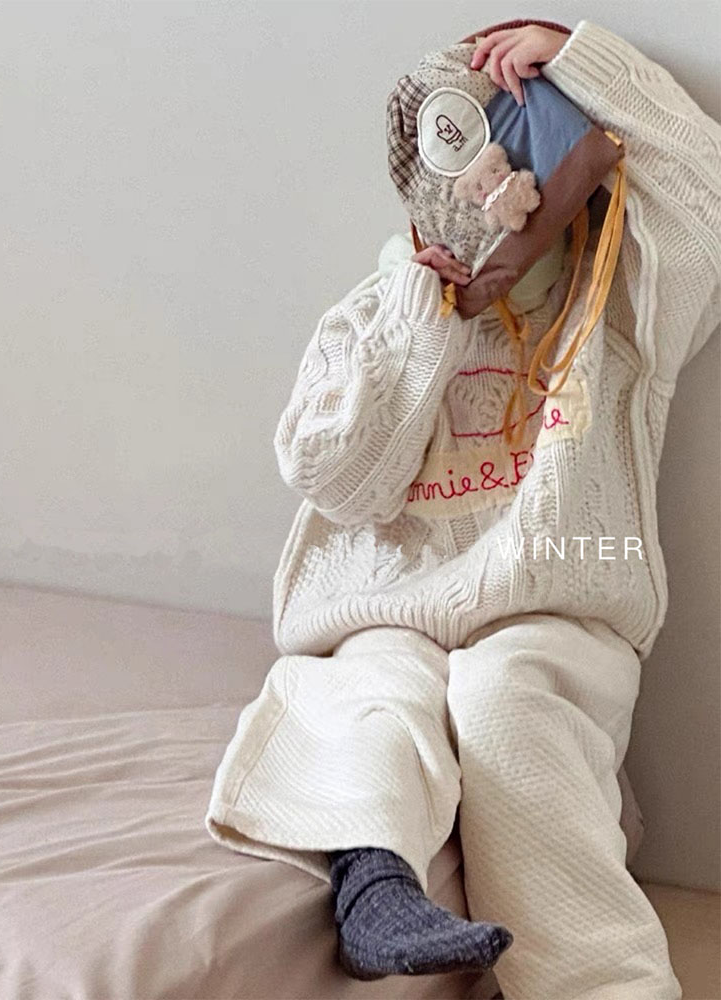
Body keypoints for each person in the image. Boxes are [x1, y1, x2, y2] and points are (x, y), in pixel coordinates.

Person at [206, 19, 720, 1000]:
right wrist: (425, 320)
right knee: (370, 695)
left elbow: (706, 190)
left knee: (508, 699)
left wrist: (577, 55)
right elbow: (338, 480)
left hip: (550, 613)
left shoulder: (618, 312)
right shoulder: (374, 314)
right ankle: (375, 888)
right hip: (386, 608)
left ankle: (606, 984)